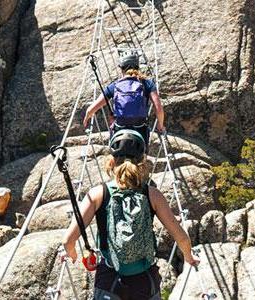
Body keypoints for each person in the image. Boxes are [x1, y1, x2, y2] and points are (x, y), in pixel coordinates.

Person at [64, 130, 197, 300]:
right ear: (142, 162)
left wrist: (75, 255)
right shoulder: (153, 195)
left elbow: (68, 240)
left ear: (111, 161)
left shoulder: (98, 194)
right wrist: (188, 257)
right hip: (145, 279)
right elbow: (182, 238)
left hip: (109, 278)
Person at [82, 53, 167, 141]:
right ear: (137, 67)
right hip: (140, 128)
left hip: (120, 128)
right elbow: (159, 109)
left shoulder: (115, 85)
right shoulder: (147, 84)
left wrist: (86, 118)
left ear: (122, 69)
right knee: (142, 149)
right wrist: (160, 125)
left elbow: (91, 109)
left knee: (116, 144)